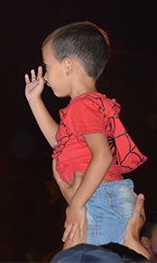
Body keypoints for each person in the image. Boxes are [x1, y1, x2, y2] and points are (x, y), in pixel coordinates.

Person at [24, 21, 147, 248]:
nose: (46, 78)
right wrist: (34, 100)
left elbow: (103, 156)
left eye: (47, 67)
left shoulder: (83, 106)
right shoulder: (87, 106)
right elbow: (58, 142)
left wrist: (76, 204)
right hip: (100, 196)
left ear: (68, 66)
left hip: (98, 197)